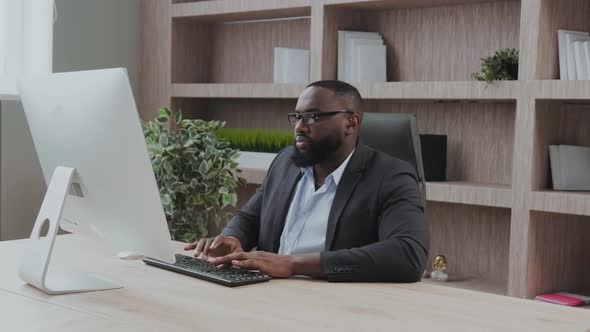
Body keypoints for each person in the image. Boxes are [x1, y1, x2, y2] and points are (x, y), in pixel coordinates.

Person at [184, 80, 429, 282]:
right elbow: (251, 217)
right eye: (297, 117)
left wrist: (293, 264)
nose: (299, 127)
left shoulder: (391, 176)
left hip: (335, 305)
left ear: (350, 123)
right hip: (265, 293)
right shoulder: (286, 162)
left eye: (312, 117)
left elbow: (408, 254)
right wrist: (233, 238)